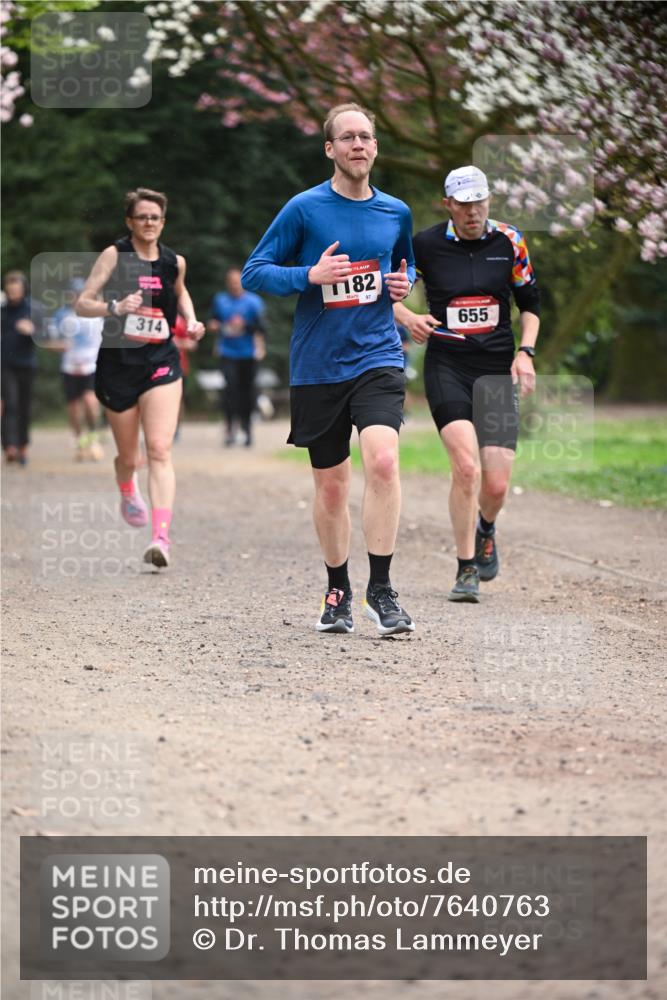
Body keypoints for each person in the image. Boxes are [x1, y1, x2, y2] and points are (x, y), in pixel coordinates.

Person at [242, 102, 416, 636]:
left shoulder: (396, 212)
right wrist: (309, 274)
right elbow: (255, 273)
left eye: (366, 136)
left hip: (378, 355)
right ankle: (337, 588)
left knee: (383, 462)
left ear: (375, 147)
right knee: (334, 487)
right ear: (330, 149)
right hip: (318, 364)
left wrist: (402, 289)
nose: (358, 145)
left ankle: (381, 590)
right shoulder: (304, 209)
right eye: (347, 138)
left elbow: (403, 269)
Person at [394, 165, 540, 603]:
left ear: (488, 200)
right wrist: (409, 318)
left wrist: (525, 353)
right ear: (449, 205)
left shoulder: (510, 242)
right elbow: (391, 293)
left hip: (496, 369)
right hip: (448, 367)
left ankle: (486, 528)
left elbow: (530, 303)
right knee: (467, 468)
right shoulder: (425, 245)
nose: (473, 211)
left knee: (495, 485)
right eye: (464, 203)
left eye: (480, 201)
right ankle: (466, 568)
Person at [76, 188, 205, 569]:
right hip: (119, 364)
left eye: (156, 217)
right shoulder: (115, 256)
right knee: (129, 456)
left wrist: (191, 320)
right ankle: (126, 485)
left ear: (163, 222)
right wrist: (114, 306)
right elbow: (82, 303)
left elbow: (181, 295)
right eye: (142, 217)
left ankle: (160, 538)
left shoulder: (173, 262)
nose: (149, 223)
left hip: (161, 360)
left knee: (160, 450)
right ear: (130, 221)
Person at [46, 278, 104, 461]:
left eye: (80, 294)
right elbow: (51, 341)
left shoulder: (97, 314)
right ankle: (80, 440)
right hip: (70, 367)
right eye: (74, 294)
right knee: (73, 408)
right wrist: (58, 346)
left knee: (89, 401)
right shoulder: (61, 315)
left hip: (91, 365)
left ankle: (93, 436)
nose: (76, 297)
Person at [207, 268, 266, 447]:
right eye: (231, 281)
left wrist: (259, 345)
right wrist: (217, 327)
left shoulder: (254, 301)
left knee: (248, 392)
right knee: (230, 392)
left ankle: (247, 430)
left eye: (237, 281)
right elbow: (211, 322)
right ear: (227, 282)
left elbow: (262, 327)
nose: (234, 284)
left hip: (248, 353)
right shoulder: (220, 300)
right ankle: (230, 429)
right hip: (227, 352)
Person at [1, 270, 44, 466]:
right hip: (5, 364)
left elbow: (46, 335)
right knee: (10, 403)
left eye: (16, 288)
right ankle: (9, 445)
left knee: (24, 406)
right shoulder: (2, 310)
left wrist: (32, 330)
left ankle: (23, 445)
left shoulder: (33, 309)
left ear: (23, 289)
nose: (13, 292)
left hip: (26, 364)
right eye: (9, 289)